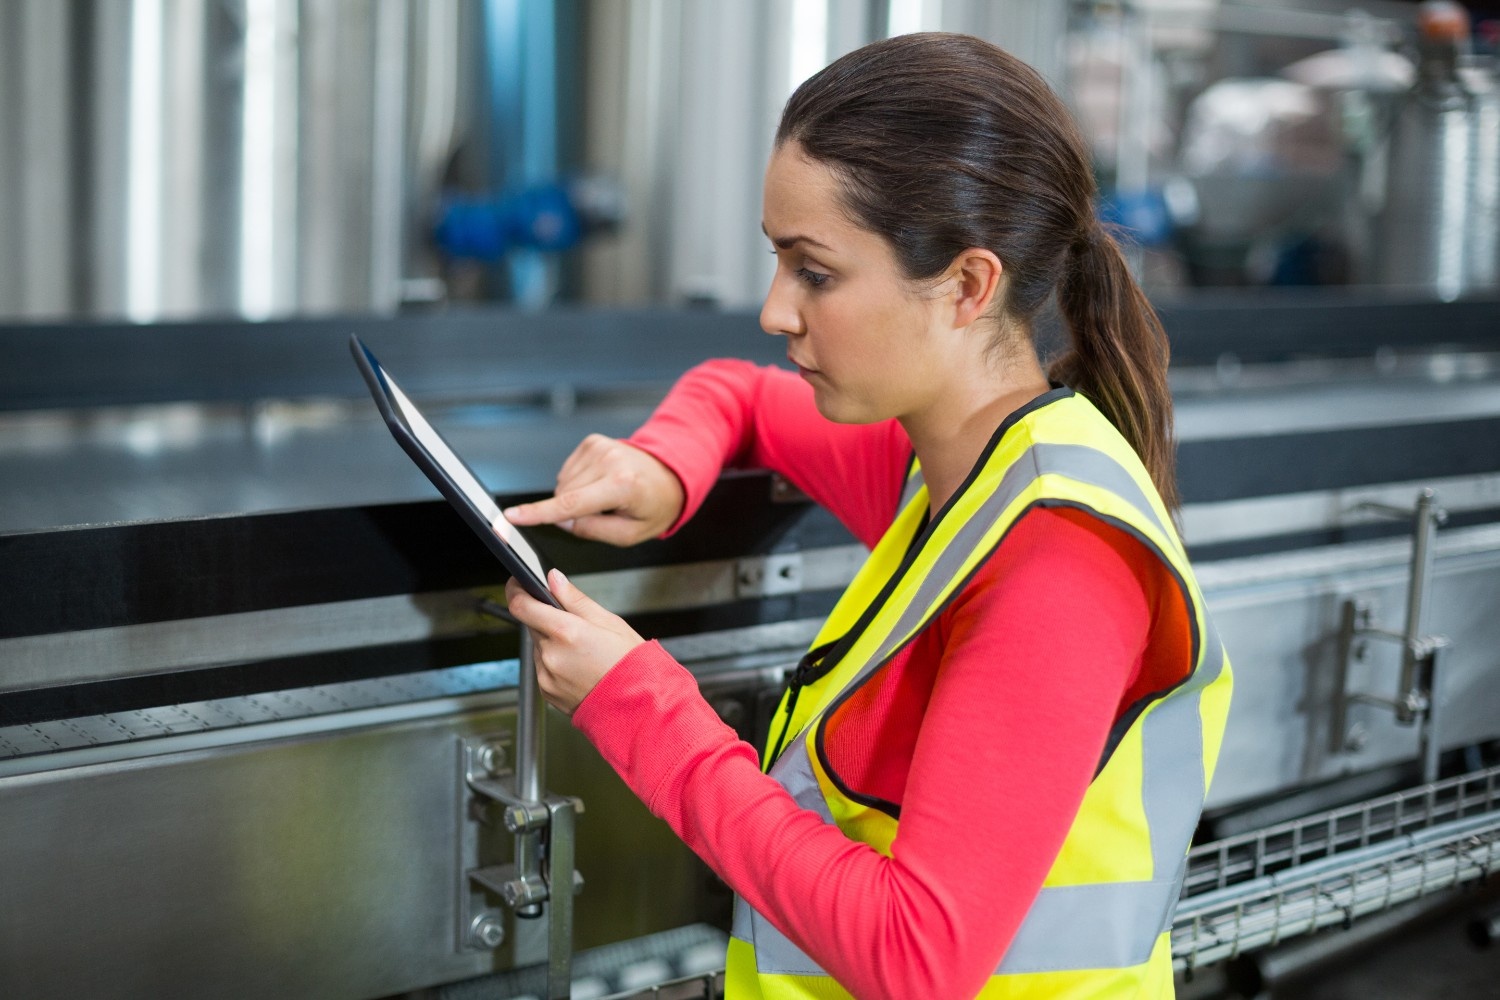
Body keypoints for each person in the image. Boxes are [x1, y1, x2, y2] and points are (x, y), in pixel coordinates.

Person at [502, 32, 1233, 1000]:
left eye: (815, 271)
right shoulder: (952, 465)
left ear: (969, 286)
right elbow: (741, 393)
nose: (774, 309)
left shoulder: (1057, 559)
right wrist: (664, 466)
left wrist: (639, 701)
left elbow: (916, 955)